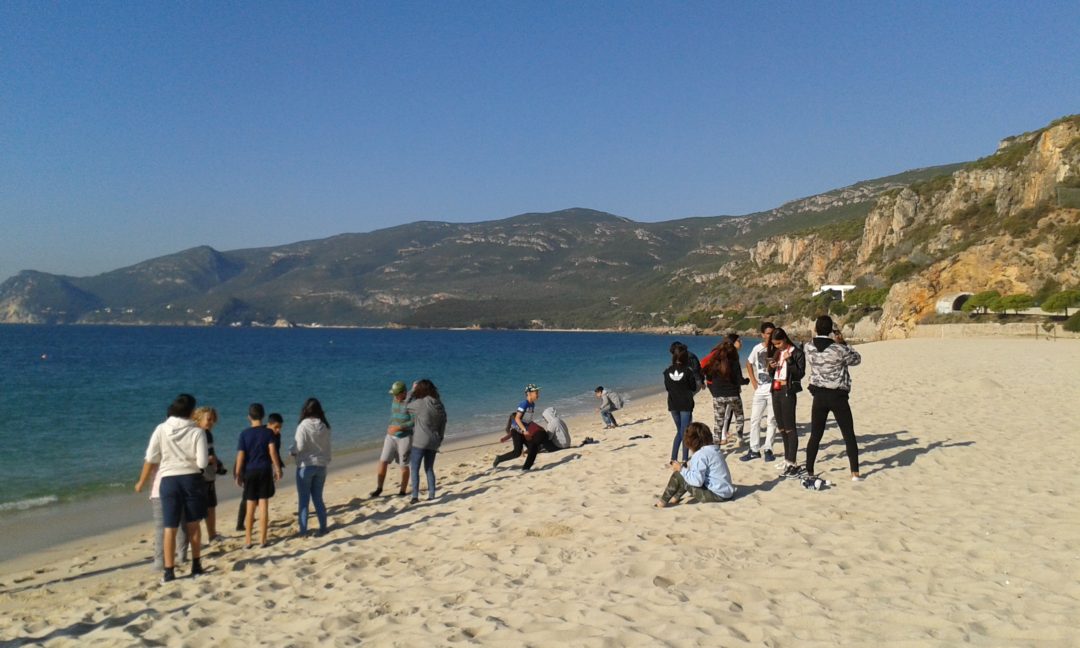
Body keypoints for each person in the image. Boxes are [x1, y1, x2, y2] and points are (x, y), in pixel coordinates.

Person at [134, 393, 207, 583]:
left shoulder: (161, 429)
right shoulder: (197, 431)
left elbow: (151, 456)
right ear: (191, 411)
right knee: (193, 524)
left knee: (170, 527)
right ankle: (196, 565)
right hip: (190, 478)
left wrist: (142, 481)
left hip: (168, 480)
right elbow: (202, 462)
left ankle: (169, 571)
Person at [804, 315, 864, 482]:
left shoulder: (808, 347)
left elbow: (812, 347)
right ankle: (855, 473)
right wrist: (843, 342)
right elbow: (857, 359)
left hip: (819, 395)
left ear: (815, 329)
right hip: (838, 395)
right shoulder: (839, 349)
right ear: (831, 330)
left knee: (815, 435)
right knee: (848, 434)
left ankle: (809, 470)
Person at [235, 403, 283, 548]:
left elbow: (241, 455)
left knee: (250, 507)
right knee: (263, 506)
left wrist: (238, 473)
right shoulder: (268, 433)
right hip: (264, 471)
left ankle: (248, 541)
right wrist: (277, 468)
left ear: (249, 417)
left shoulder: (244, 434)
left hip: (250, 471)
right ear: (263, 416)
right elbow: (272, 452)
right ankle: (263, 540)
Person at [655, 422, 736, 507]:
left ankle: (662, 502)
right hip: (727, 492)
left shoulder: (700, 455)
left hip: (717, 495)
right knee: (686, 474)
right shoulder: (714, 449)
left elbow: (697, 481)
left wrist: (680, 469)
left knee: (679, 474)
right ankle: (675, 498)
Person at [768, 328, 806, 479]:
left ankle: (792, 461)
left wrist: (790, 360)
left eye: (778, 343)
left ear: (784, 339)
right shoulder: (777, 352)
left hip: (787, 389)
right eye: (774, 344)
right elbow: (772, 373)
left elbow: (800, 373)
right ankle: (787, 459)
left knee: (790, 427)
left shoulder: (797, 353)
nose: (776, 346)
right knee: (782, 427)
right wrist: (771, 367)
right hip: (776, 389)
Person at [291, 397, 332, 536]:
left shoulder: (303, 426)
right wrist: (327, 460)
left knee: (304, 500)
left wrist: (292, 451)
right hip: (321, 466)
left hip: (305, 466)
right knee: (318, 498)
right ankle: (323, 527)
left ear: (305, 410)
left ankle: (303, 531)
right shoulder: (324, 426)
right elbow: (328, 446)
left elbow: (299, 446)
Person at [405, 379, 446, 504]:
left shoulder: (420, 403)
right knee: (429, 468)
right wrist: (440, 438)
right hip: (434, 441)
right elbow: (443, 423)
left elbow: (404, 406)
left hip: (420, 441)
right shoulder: (439, 404)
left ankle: (415, 496)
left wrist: (411, 391)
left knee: (415, 469)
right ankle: (432, 495)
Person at [702, 339, 748, 447]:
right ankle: (740, 438)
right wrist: (746, 381)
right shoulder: (734, 362)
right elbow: (739, 380)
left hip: (718, 395)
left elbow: (706, 374)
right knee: (739, 416)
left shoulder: (714, 362)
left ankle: (716, 445)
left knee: (718, 421)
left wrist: (712, 384)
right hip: (733, 395)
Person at [744, 322, 778, 462]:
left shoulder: (778, 348)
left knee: (771, 420)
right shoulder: (757, 348)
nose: (770, 336)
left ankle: (768, 449)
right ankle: (754, 449)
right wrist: (753, 381)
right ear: (763, 334)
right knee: (754, 420)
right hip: (760, 389)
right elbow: (748, 363)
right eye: (768, 333)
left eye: (772, 333)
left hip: (774, 389)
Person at [371, 381, 413, 497]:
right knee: (383, 461)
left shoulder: (411, 403)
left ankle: (402, 491)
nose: (394, 396)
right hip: (390, 437)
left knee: (403, 465)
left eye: (396, 394)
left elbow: (413, 422)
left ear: (403, 393)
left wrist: (398, 427)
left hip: (404, 438)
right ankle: (379, 488)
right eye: (393, 394)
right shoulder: (394, 399)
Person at [193, 406, 225, 542]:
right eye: (209, 419)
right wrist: (210, 459)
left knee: (211, 506)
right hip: (199, 476)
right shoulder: (196, 434)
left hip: (210, 474)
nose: (211, 422)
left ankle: (212, 534)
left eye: (213, 419)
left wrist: (218, 463)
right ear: (198, 419)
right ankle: (195, 539)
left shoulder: (208, 433)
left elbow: (211, 452)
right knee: (198, 509)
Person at [664, 344, 698, 466]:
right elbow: (693, 387)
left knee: (680, 431)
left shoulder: (667, 371)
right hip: (685, 404)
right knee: (684, 432)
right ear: (685, 358)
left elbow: (667, 388)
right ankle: (684, 459)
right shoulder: (688, 372)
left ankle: (673, 458)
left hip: (673, 404)